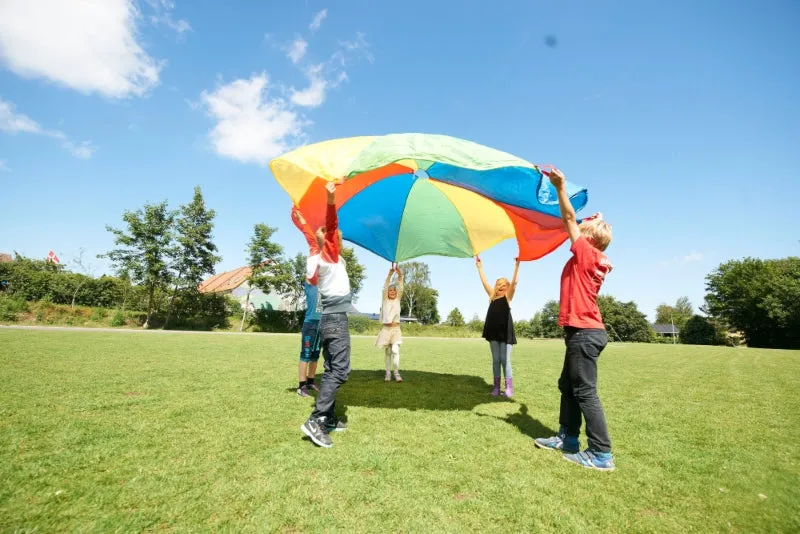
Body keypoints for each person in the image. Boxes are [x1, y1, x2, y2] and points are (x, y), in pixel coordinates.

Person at [533, 168, 616, 471]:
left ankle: (601, 454)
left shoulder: (585, 252)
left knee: (584, 391)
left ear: (590, 237)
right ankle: (567, 438)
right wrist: (597, 219)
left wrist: (560, 187)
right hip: (582, 331)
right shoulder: (594, 256)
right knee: (567, 386)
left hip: (584, 331)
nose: (583, 224)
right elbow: (578, 224)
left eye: (588, 226)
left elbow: (569, 219)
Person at [297, 181, 354, 448]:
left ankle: (329, 417)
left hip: (328, 319)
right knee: (341, 370)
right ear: (334, 242)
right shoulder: (330, 257)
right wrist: (330, 200)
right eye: (336, 238)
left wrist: (302, 224)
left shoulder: (324, 257)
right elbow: (329, 228)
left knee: (332, 367)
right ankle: (317, 419)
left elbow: (314, 238)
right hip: (335, 319)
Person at [476, 255, 520, 397]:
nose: (500, 286)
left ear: (506, 286)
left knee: (505, 360)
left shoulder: (508, 297)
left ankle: (509, 388)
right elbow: (484, 281)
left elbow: (515, 283)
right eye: (498, 284)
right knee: (496, 360)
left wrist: (517, 266)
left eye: (502, 285)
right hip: (493, 331)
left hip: (505, 332)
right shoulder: (492, 296)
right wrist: (480, 267)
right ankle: (496, 387)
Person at [291, 207, 323, 398]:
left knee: (315, 355)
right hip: (311, 323)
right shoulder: (310, 280)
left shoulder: (325, 283)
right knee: (306, 353)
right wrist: (303, 219)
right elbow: (312, 239)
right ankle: (301, 385)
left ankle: (311, 382)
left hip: (321, 324)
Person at [376, 264, 404, 382]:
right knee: (388, 352)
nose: (392, 291)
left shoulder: (397, 300)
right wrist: (389, 274)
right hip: (386, 329)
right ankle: (388, 373)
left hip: (396, 329)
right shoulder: (385, 300)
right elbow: (385, 287)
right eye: (390, 290)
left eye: (394, 290)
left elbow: (401, 287)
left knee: (395, 350)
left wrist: (399, 274)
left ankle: (396, 373)